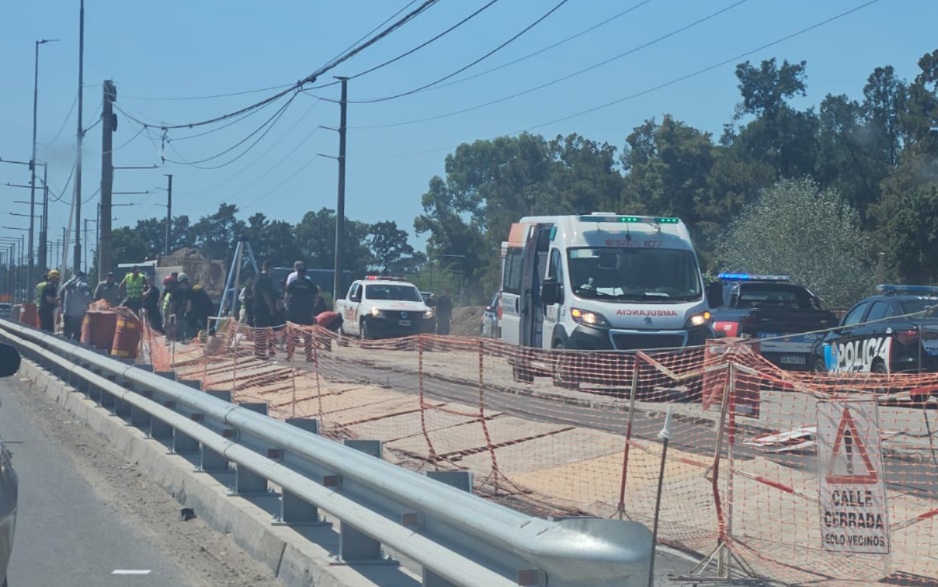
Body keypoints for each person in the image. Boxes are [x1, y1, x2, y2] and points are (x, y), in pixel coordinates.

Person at [284, 261, 316, 362]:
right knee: (308, 336)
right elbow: (316, 296)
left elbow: (287, 297)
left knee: (292, 335)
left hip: (294, 312)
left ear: (297, 273)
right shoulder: (309, 283)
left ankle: (289, 355)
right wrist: (312, 306)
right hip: (306, 313)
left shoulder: (293, 283)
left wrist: (288, 307)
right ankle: (309, 356)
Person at [252, 261, 278, 359]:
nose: (273, 271)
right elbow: (266, 294)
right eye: (272, 269)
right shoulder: (265, 280)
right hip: (264, 308)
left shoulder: (257, 277)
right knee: (263, 330)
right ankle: (260, 352)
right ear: (268, 268)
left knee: (260, 329)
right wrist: (271, 308)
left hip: (257, 306)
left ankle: (259, 351)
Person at [61, 270, 92, 340]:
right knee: (77, 333)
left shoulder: (68, 284)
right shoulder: (84, 285)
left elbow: (61, 292)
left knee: (66, 333)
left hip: (67, 312)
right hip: (78, 313)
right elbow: (88, 298)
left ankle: (65, 347)